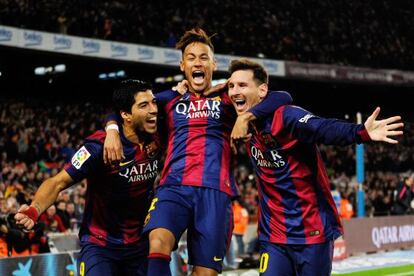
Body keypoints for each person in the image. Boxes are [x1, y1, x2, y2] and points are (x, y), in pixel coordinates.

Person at [104, 28, 292, 276]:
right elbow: (122, 107)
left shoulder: (228, 97)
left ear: (214, 63)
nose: (197, 62)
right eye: (191, 57)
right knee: (158, 242)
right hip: (174, 187)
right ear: (182, 65)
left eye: (203, 57)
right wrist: (112, 130)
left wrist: (246, 116)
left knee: (205, 273)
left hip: (216, 192)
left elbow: (282, 96)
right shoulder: (169, 99)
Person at [227, 58, 404, 276]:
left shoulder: (286, 116)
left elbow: (322, 128)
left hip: (311, 233)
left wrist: (360, 132)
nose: (234, 91)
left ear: (262, 90)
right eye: (231, 86)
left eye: (242, 85)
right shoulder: (241, 118)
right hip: (274, 236)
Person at [14, 80, 161, 276]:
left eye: (154, 102)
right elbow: (58, 182)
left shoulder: (158, 134)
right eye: (144, 105)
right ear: (125, 114)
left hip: (140, 245)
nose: (153, 110)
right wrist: (34, 209)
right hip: (100, 246)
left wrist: (112, 126)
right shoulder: (96, 147)